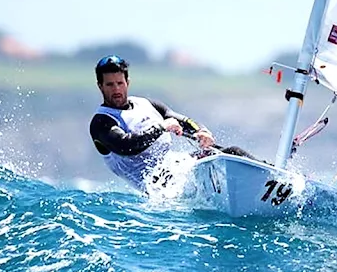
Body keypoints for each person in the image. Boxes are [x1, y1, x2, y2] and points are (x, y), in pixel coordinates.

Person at [89, 55, 257, 191]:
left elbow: (183, 121)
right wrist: (161, 127)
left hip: (178, 166)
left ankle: (275, 179)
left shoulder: (148, 105)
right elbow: (126, 146)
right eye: (110, 85)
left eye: (120, 83)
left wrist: (201, 131)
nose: (116, 89)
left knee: (232, 153)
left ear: (128, 83)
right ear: (100, 86)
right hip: (158, 186)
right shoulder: (101, 122)